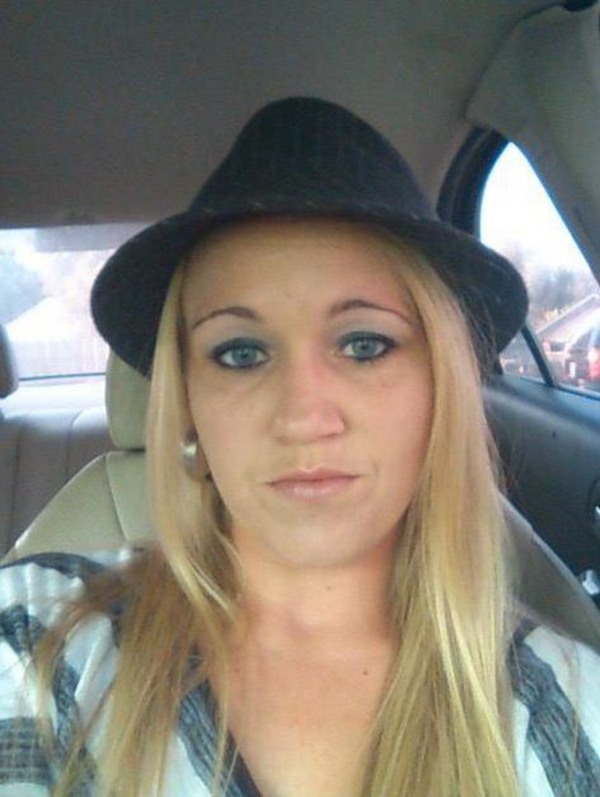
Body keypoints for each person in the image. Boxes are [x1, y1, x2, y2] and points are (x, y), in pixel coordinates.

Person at [0, 97, 599, 797]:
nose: (303, 417)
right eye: (240, 353)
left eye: (365, 344)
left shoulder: (567, 703)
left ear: (441, 392)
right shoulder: (37, 638)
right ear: (188, 408)